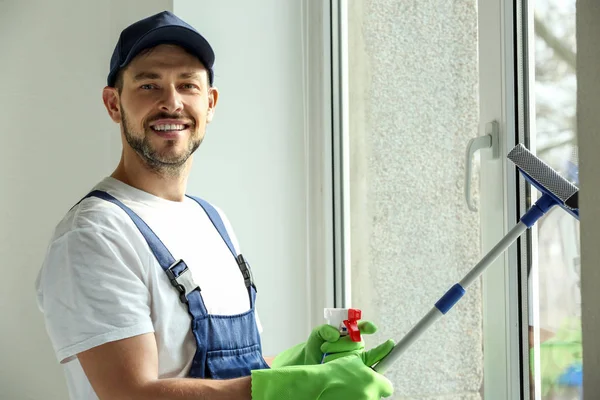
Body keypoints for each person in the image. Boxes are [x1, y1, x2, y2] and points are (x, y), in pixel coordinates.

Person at [35, 10, 395, 400]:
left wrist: (302, 364)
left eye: (187, 85)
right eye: (148, 86)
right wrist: (285, 390)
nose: (171, 103)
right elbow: (130, 394)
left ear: (210, 103)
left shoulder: (211, 219)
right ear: (113, 104)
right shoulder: (93, 235)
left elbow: (227, 375)